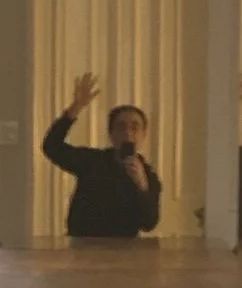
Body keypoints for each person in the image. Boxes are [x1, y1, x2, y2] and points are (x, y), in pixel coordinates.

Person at [41, 74, 162, 239]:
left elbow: (149, 224)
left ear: (144, 135)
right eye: (121, 127)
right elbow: (52, 146)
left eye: (135, 128)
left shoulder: (148, 175)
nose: (127, 133)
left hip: (126, 252)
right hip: (82, 247)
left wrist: (142, 186)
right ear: (111, 134)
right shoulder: (92, 161)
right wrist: (75, 108)